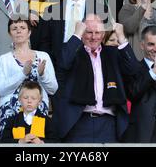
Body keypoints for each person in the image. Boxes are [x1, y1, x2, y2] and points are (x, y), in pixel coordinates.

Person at [53, 14, 137, 142]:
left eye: (97, 32)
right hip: (79, 123)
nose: (93, 37)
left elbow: (133, 69)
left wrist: (121, 37)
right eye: (89, 32)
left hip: (108, 124)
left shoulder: (112, 53)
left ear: (103, 34)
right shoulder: (74, 51)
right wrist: (77, 34)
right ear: (82, 33)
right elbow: (63, 62)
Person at [0, 17, 58, 137]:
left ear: (29, 32)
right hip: (10, 113)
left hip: (38, 111)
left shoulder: (43, 56)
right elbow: (0, 89)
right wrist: (22, 74)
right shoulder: (3, 59)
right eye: (14, 28)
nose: (18, 31)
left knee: (36, 146)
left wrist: (42, 75)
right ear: (9, 33)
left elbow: (53, 89)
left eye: (22, 28)